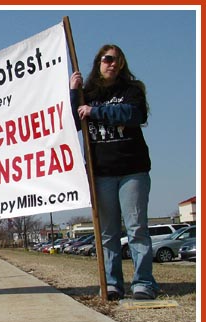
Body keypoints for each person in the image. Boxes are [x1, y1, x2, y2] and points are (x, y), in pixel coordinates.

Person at [69, 45, 159, 301]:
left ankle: (143, 283)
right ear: (98, 62)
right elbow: (74, 122)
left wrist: (96, 112)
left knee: (137, 229)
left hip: (132, 171)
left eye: (117, 61)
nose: (112, 64)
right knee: (107, 233)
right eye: (107, 59)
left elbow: (134, 114)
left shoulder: (132, 89)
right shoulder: (89, 93)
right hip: (101, 173)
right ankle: (112, 283)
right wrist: (74, 92)